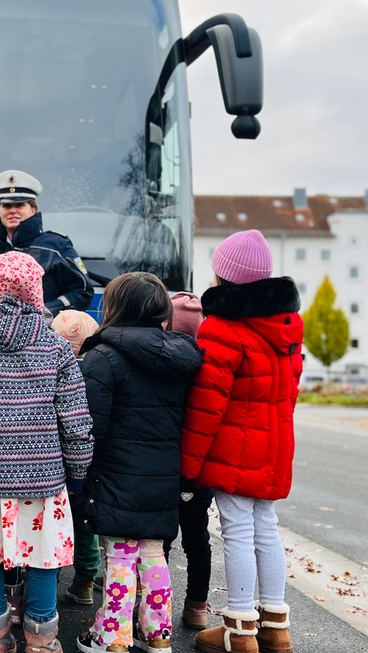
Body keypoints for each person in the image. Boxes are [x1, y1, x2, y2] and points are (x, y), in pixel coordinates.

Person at [0, 251, 94, 653]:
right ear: (37, 291)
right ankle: (41, 640)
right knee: (43, 556)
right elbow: (75, 420)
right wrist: (77, 470)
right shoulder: (57, 347)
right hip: (45, 476)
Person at [181, 229, 303, 653]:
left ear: (224, 275)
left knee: (235, 531)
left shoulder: (221, 328)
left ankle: (239, 628)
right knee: (266, 529)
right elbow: (290, 393)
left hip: (233, 448)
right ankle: (275, 626)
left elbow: (206, 406)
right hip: (274, 445)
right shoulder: (287, 326)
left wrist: (188, 467)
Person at [73, 273, 202, 653]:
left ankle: (112, 635)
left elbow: (91, 425)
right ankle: (157, 634)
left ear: (115, 307)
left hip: (115, 473)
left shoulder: (102, 356)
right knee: (153, 552)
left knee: (119, 555)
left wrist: (82, 474)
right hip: (163, 473)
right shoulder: (182, 357)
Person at [165, 291, 216, 631]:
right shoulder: (208, 366)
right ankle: (197, 606)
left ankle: (156, 606)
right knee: (197, 537)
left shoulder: (164, 363)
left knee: (162, 538)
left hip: (165, 465)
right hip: (199, 469)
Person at [0, 169, 93, 316]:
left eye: (19, 205)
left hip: (44, 328)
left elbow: (82, 292)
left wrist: (46, 312)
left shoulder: (56, 246)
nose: (12, 210)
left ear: (33, 209)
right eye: (6, 206)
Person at [49, 309, 102, 607]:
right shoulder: (97, 368)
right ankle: (85, 581)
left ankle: (50, 579)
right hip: (89, 461)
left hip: (54, 464)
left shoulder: (53, 367)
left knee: (54, 526)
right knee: (85, 525)